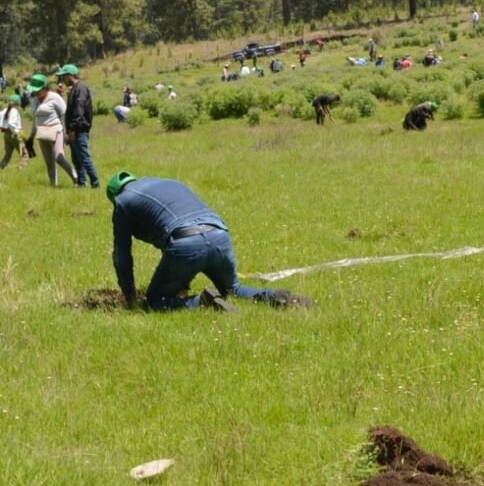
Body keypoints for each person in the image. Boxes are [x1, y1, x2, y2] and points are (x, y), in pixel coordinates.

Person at [107, 171, 312, 312]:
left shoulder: (123, 201)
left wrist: (130, 296)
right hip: (219, 234)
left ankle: (203, 302)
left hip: (187, 243)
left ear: (114, 194)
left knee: (155, 303)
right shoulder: (168, 182)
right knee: (233, 289)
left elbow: (122, 256)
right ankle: (275, 297)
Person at [27, 74, 77, 187]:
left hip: (56, 130)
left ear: (45, 88)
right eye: (34, 91)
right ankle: (53, 185)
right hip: (42, 133)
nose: (36, 93)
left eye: (38, 90)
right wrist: (31, 137)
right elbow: (35, 119)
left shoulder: (55, 97)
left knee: (59, 158)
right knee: (49, 162)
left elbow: (65, 114)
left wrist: (66, 133)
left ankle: (76, 178)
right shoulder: (34, 100)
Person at [57, 64, 100, 189]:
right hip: (74, 130)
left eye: (63, 77)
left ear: (70, 75)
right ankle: (82, 183)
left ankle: (95, 184)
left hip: (79, 131)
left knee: (84, 158)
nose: (63, 80)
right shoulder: (74, 89)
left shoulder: (80, 88)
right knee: (76, 160)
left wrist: (72, 130)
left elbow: (79, 111)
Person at [0, 94, 27, 168]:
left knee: (7, 155)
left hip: (6, 135)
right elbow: (11, 124)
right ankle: (21, 170)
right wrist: (18, 134)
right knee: (24, 154)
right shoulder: (14, 111)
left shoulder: (4, 110)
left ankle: (1, 167)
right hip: (14, 135)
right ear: (17, 103)